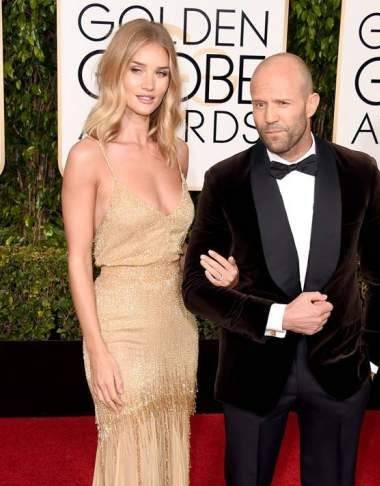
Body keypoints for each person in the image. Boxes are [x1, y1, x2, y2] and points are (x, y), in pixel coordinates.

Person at [182, 52, 380, 486]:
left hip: (340, 370)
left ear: (311, 103)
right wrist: (278, 317)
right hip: (252, 372)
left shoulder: (359, 172)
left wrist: (372, 359)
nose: (268, 117)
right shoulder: (225, 179)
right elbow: (194, 287)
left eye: (282, 103)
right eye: (259, 104)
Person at [61, 19, 238, 486]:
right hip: (119, 326)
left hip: (176, 324)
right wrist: (97, 349)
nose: (149, 84)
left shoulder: (177, 152)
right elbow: (78, 258)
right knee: (127, 445)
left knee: (168, 441)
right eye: (137, 69)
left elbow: (176, 246)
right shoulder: (88, 156)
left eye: (161, 73)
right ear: (116, 72)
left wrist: (217, 271)